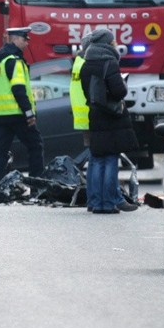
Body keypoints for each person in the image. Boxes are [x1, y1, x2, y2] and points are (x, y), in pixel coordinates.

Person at [79, 28, 139, 214]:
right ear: (107, 43)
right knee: (111, 158)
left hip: (95, 114)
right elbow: (119, 92)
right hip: (111, 116)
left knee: (96, 159)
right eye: (113, 41)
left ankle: (96, 202)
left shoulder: (86, 64)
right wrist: (123, 83)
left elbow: (86, 92)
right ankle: (110, 202)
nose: (115, 44)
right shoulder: (110, 62)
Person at [0, 26, 45, 193]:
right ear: (14, 39)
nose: (27, 43)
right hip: (16, 113)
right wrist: (28, 112)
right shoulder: (14, 61)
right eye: (24, 39)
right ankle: (37, 188)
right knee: (35, 145)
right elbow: (18, 89)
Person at [69, 33, 93, 209]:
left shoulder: (78, 62)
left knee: (94, 156)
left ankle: (91, 193)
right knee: (99, 158)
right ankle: (94, 194)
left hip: (83, 116)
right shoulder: (88, 63)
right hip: (92, 114)